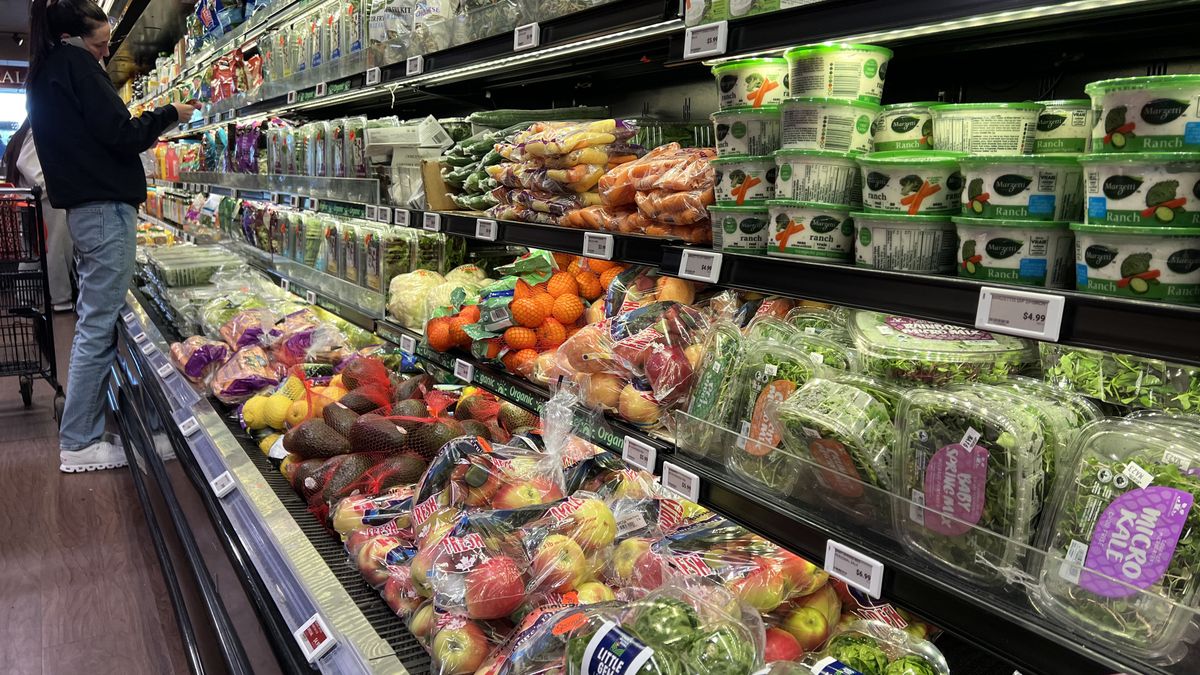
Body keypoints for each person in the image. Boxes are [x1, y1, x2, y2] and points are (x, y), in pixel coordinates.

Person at [27, 0, 198, 473]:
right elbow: (120, 134)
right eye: (101, 45)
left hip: (88, 211)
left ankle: (86, 427)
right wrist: (171, 112)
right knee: (98, 324)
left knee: (93, 320)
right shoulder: (76, 66)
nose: (105, 54)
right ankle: (80, 441)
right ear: (74, 38)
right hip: (104, 212)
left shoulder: (49, 68)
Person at [4, 119, 76, 311]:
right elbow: (30, 168)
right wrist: (59, 186)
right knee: (55, 249)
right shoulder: (39, 129)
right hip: (46, 201)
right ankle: (60, 300)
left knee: (35, 251)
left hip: (34, 201)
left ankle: (26, 296)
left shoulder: (28, 131)